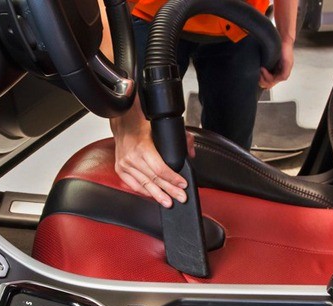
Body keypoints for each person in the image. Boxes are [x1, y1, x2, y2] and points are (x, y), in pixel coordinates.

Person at [100, 0, 298, 208]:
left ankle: (224, 212)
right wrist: (128, 122)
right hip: (150, 15)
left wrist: (286, 38)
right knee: (149, 149)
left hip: (240, 24)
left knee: (233, 153)